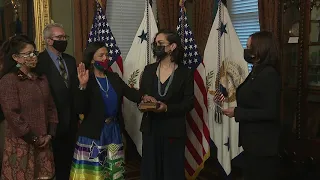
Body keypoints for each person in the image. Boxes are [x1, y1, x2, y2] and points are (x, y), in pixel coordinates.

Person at [70, 42, 155, 179]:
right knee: (95, 173)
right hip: (93, 133)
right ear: (92, 59)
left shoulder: (113, 77)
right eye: (101, 55)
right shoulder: (86, 79)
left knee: (114, 172)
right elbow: (79, 108)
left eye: (107, 55)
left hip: (113, 130)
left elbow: (129, 92)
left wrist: (144, 97)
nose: (105, 58)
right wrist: (82, 86)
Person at [222, 31, 281, 180]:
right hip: (252, 143)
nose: (246, 51)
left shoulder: (269, 74)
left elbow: (270, 112)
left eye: (249, 47)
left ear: (261, 49)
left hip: (263, 146)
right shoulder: (256, 71)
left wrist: (238, 113)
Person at [0, 35, 58, 180]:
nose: (33, 56)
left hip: (44, 142)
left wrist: (50, 133)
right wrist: (32, 138)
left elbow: (51, 107)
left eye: (34, 52)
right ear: (16, 58)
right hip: (21, 144)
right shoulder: (9, 80)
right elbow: (11, 114)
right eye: (28, 54)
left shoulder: (41, 78)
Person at [139, 29, 194, 180]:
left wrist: (167, 108)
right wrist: (143, 101)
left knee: (172, 170)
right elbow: (141, 95)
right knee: (151, 170)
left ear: (172, 47)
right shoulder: (149, 70)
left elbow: (189, 103)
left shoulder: (185, 73)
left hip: (173, 129)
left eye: (160, 43)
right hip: (151, 127)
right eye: (155, 43)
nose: (156, 46)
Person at [36, 23, 78, 179]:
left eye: (64, 37)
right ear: (48, 40)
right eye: (59, 37)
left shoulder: (71, 60)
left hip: (71, 123)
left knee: (68, 165)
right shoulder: (39, 62)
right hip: (50, 124)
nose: (63, 40)